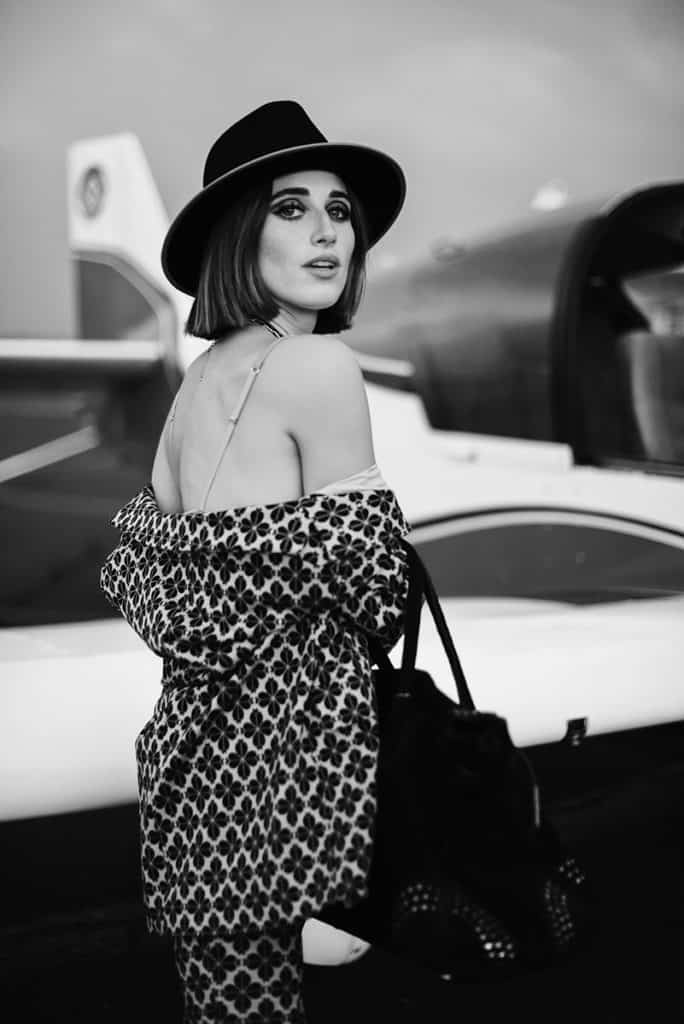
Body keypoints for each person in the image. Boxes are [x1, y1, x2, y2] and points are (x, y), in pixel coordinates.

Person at [100, 100, 411, 1023]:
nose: (327, 233)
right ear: (241, 232)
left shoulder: (193, 387)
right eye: (291, 207)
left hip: (196, 780)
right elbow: (377, 587)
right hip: (298, 791)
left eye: (339, 210)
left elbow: (166, 570)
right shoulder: (319, 367)